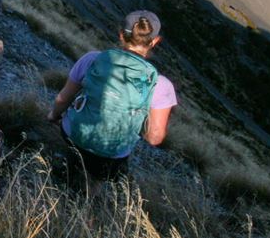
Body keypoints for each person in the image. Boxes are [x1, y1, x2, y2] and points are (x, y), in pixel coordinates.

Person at [47, 11, 177, 181]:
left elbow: (63, 98)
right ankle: (87, 196)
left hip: (73, 134)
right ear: (155, 41)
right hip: (112, 152)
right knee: (99, 176)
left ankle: (63, 172)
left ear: (121, 34)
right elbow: (154, 137)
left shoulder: (92, 59)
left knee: (74, 145)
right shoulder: (160, 84)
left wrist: (53, 116)